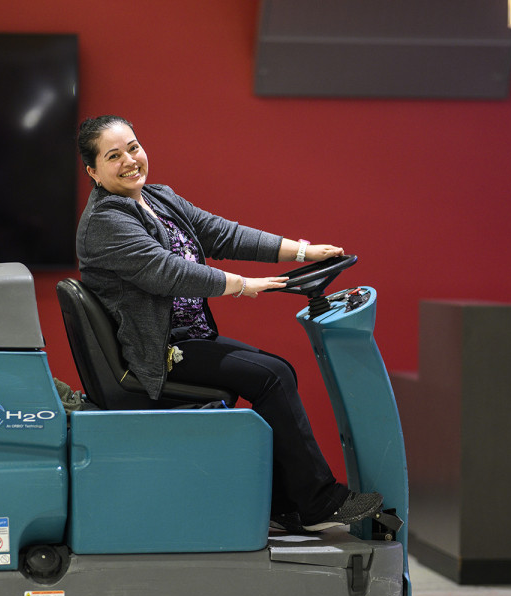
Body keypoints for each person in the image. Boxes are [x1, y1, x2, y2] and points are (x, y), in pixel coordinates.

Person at [75, 114, 381, 532]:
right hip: (159, 353)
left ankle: (283, 503)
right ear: (93, 171)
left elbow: (221, 233)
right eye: (114, 156)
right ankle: (317, 501)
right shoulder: (106, 222)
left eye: (133, 147)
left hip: (189, 338)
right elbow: (167, 272)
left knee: (279, 371)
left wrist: (303, 253)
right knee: (272, 375)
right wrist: (241, 285)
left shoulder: (157, 197)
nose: (130, 160)